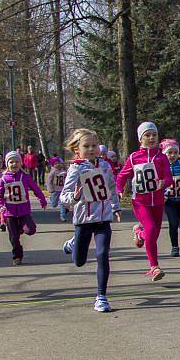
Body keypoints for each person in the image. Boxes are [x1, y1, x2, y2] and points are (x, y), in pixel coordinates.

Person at [60, 128, 121, 312]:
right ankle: (72, 243)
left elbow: (111, 187)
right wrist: (75, 197)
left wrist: (116, 207)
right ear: (77, 149)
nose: (92, 149)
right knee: (79, 261)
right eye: (86, 146)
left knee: (103, 255)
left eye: (94, 145)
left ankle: (101, 296)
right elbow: (64, 196)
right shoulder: (76, 168)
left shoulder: (105, 166)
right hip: (83, 219)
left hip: (103, 218)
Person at [116, 121, 173, 281]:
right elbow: (122, 176)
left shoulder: (161, 157)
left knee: (153, 234)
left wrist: (164, 182)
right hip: (140, 201)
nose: (151, 138)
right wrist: (119, 190)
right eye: (147, 135)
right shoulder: (134, 157)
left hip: (158, 201)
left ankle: (139, 232)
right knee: (151, 228)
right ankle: (154, 267)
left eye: (154, 135)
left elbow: (169, 176)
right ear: (141, 138)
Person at [0, 151, 47, 265]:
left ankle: (20, 228)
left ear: (21, 163)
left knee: (30, 230)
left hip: (24, 211)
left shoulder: (25, 177)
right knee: (14, 238)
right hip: (9, 213)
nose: (14, 164)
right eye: (11, 162)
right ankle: (17, 256)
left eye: (17, 161)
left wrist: (42, 200)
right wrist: (0, 207)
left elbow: (36, 189)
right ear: (7, 164)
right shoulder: (4, 180)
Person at [46, 157, 68, 222]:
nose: (57, 165)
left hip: (62, 190)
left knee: (62, 203)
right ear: (52, 165)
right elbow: (49, 181)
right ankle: (51, 198)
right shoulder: (52, 172)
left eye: (58, 163)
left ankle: (62, 216)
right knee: (54, 204)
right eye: (55, 164)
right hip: (55, 190)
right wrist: (50, 189)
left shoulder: (63, 171)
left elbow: (67, 178)